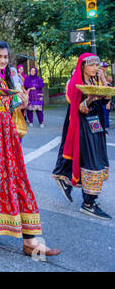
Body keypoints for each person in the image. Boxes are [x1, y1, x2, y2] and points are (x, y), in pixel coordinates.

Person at [0, 41, 61, 257]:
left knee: (18, 182)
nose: (3, 61)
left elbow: (8, 108)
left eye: (5, 57)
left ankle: (30, 240)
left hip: (9, 141)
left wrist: (21, 104)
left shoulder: (6, 78)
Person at [52, 53, 111, 220]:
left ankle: (69, 182)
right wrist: (91, 97)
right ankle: (88, 203)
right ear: (83, 66)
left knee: (95, 159)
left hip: (96, 125)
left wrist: (103, 81)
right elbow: (80, 109)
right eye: (92, 65)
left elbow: (106, 99)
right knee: (92, 162)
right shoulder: (75, 83)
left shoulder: (94, 80)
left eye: (96, 65)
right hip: (83, 126)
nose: (95, 68)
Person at [100, 62, 111, 131]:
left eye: (106, 67)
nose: (105, 68)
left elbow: (108, 91)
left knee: (105, 115)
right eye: (104, 67)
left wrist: (108, 102)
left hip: (105, 100)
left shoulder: (107, 77)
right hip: (98, 99)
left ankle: (105, 130)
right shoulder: (96, 75)